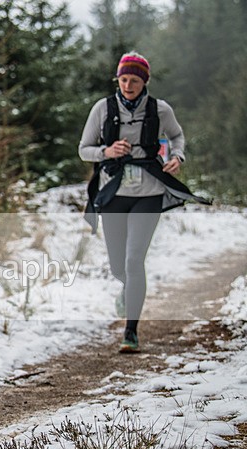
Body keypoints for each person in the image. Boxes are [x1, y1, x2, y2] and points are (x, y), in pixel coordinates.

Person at [79, 51, 209, 353]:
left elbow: (177, 136)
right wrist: (106, 152)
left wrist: (177, 156)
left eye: (134, 80)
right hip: (113, 193)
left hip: (149, 193)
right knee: (117, 266)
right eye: (123, 79)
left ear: (144, 81)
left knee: (134, 260)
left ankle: (131, 331)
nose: (127, 85)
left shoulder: (160, 110)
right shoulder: (103, 108)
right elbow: (84, 149)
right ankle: (127, 288)